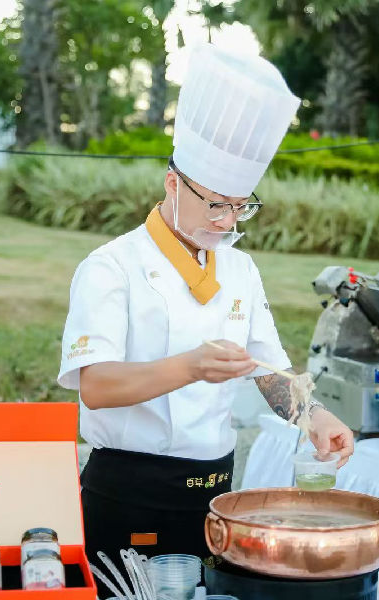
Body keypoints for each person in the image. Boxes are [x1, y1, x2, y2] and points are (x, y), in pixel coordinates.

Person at [57, 44, 354, 570]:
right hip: (129, 486)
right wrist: (192, 366)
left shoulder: (240, 269)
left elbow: (268, 370)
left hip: (215, 488)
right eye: (216, 204)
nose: (227, 221)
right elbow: (96, 387)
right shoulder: (111, 266)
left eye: (240, 207)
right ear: (173, 184)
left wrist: (314, 415)